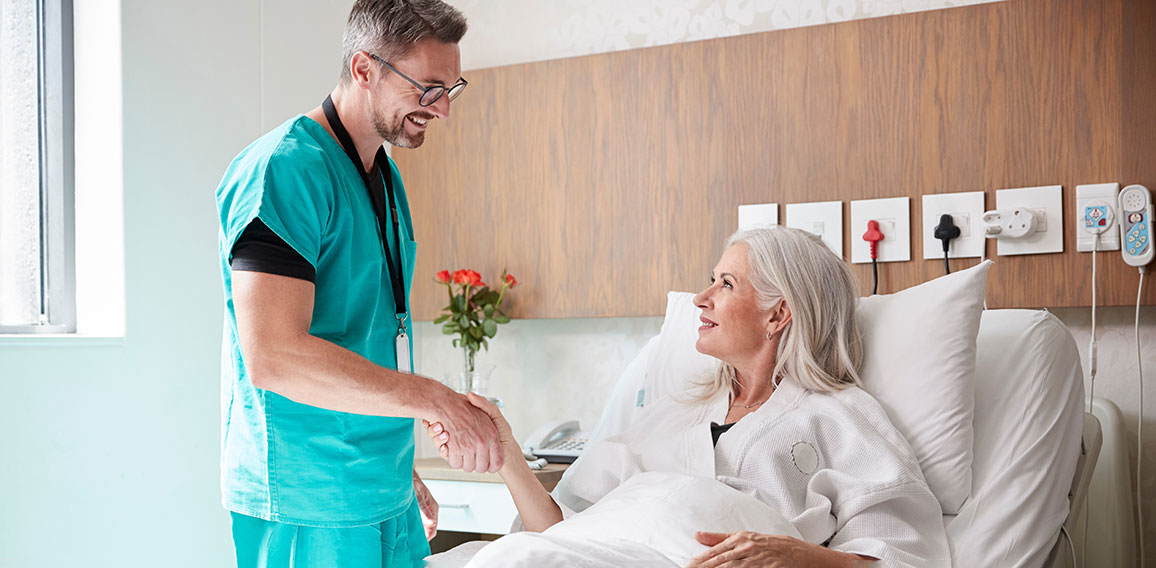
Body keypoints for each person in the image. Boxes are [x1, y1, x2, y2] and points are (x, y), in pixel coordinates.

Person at [426, 227, 951, 567]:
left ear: (777, 314)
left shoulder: (840, 416)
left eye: (726, 283)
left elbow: (902, 556)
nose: (701, 298)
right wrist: (508, 452)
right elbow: (563, 534)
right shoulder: (674, 413)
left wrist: (794, 556)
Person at [214, 1, 502, 566]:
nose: (442, 109)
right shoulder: (285, 171)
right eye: (428, 88)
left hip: (380, 487)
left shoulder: (384, 177)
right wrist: (438, 402)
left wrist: (396, 463)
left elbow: (364, 334)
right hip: (308, 501)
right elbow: (274, 356)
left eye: (451, 88)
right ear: (365, 69)